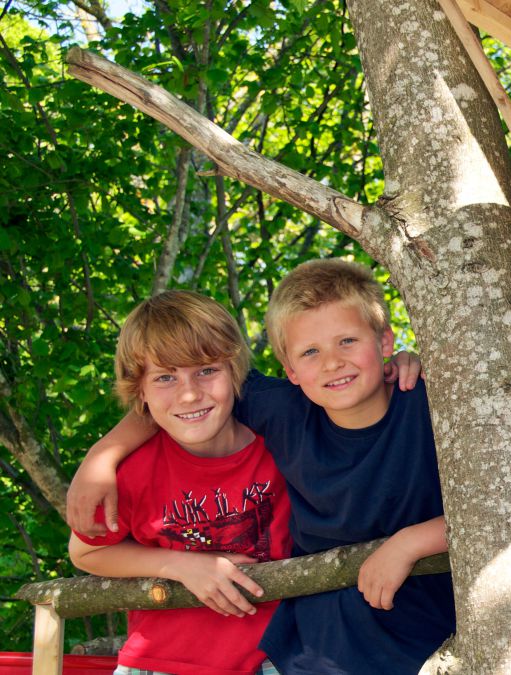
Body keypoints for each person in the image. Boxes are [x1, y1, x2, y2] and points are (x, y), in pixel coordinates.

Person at [68, 260, 454, 674]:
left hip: (370, 641)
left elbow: (503, 505)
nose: (331, 363)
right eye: (310, 352)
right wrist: (102, 456)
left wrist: (412, 540)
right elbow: (168, 398)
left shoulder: (422, 409)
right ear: (289, 370)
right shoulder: (281, 414)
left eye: (347, 341)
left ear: (383, 344)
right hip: (263, 653)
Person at [69, 290, 291, 675]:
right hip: (158, 664)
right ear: (140, 389)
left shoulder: (286, 451)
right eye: (166, 377)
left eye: (206, 370)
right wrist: (181, 565)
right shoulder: (133, 472)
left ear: (235, 370)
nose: (189, 394)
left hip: (275, 660)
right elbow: (85, 553)